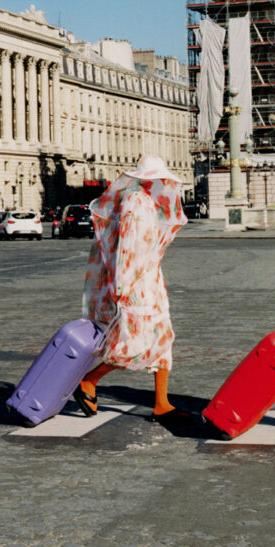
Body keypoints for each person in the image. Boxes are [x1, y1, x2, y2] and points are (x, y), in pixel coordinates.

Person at [73, 155, 188, 422]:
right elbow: (126, 247)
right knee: (133, 342)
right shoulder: (135, 202)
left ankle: (162, 402)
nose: (161, 183)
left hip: (149, 279)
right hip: (136, 282)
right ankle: (89, 380)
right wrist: (124, 286)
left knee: (163, 337)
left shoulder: (145, 201)